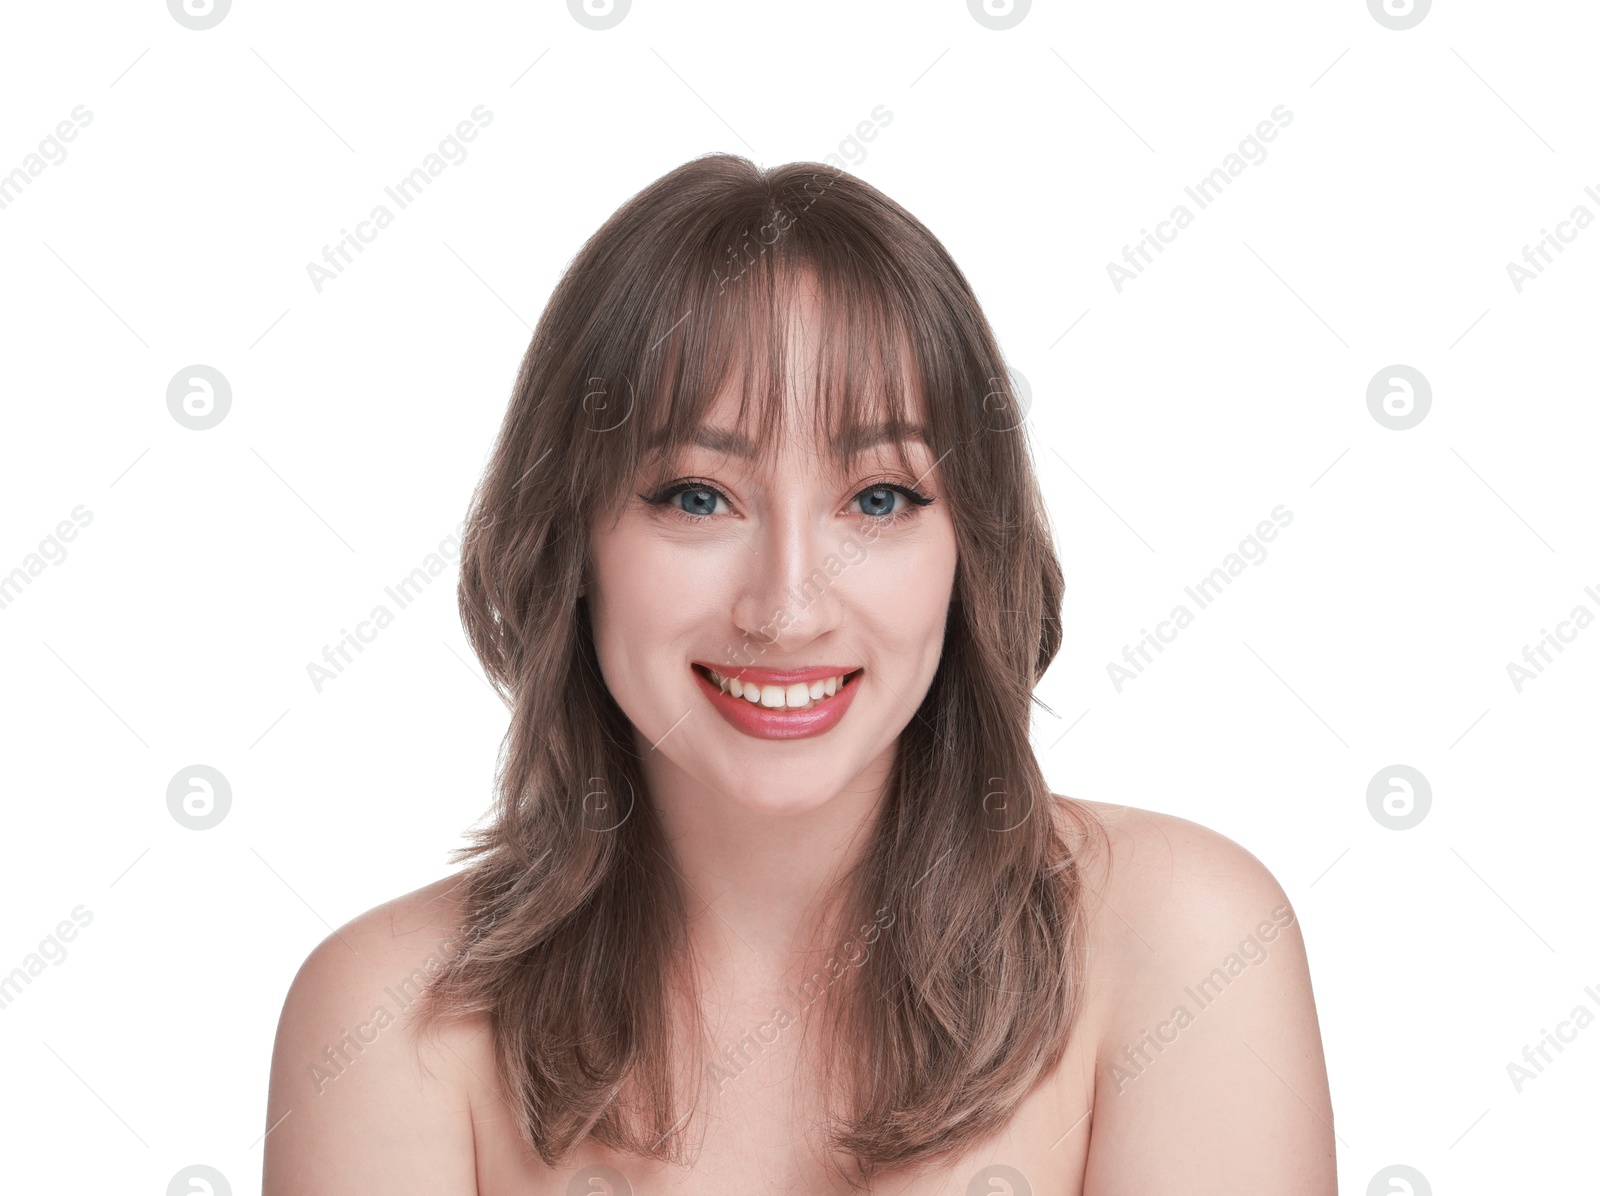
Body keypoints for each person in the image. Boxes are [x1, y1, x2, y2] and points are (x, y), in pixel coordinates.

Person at [262, 154, 1336, 1194]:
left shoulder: (1187, 946)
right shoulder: (385, 1023)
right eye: (695, 494)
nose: (785, 606)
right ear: (569, 543)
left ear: (971, 547)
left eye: (877, 498)